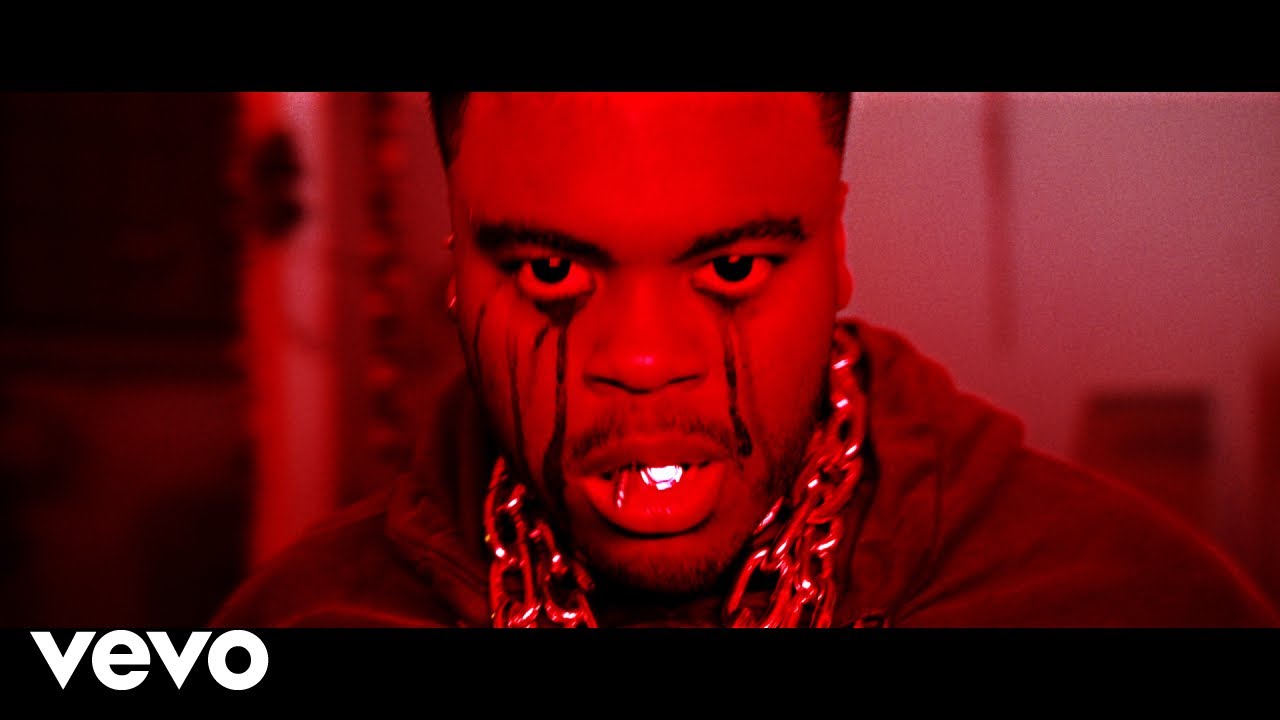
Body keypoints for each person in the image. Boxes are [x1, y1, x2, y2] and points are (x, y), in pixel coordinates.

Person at [212, 92, 1278, 628]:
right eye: (549, 270)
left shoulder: (1134, 601)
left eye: (731, 268)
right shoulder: (299, 621)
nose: (642, 359)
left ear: (840, 248)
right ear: (455, 266)